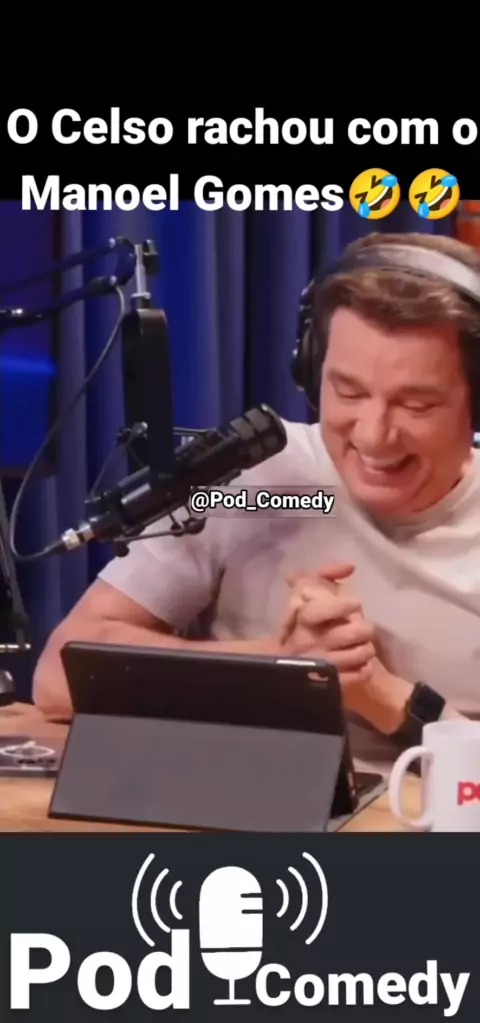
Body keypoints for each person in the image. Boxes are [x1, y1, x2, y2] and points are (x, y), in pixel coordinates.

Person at [32, 230, 480, 770]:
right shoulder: (263, 479)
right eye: (349, 391)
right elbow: (59, 677)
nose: (373, 435)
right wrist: (282, 663)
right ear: (311, 370)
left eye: (416, 405)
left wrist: (377, 693)